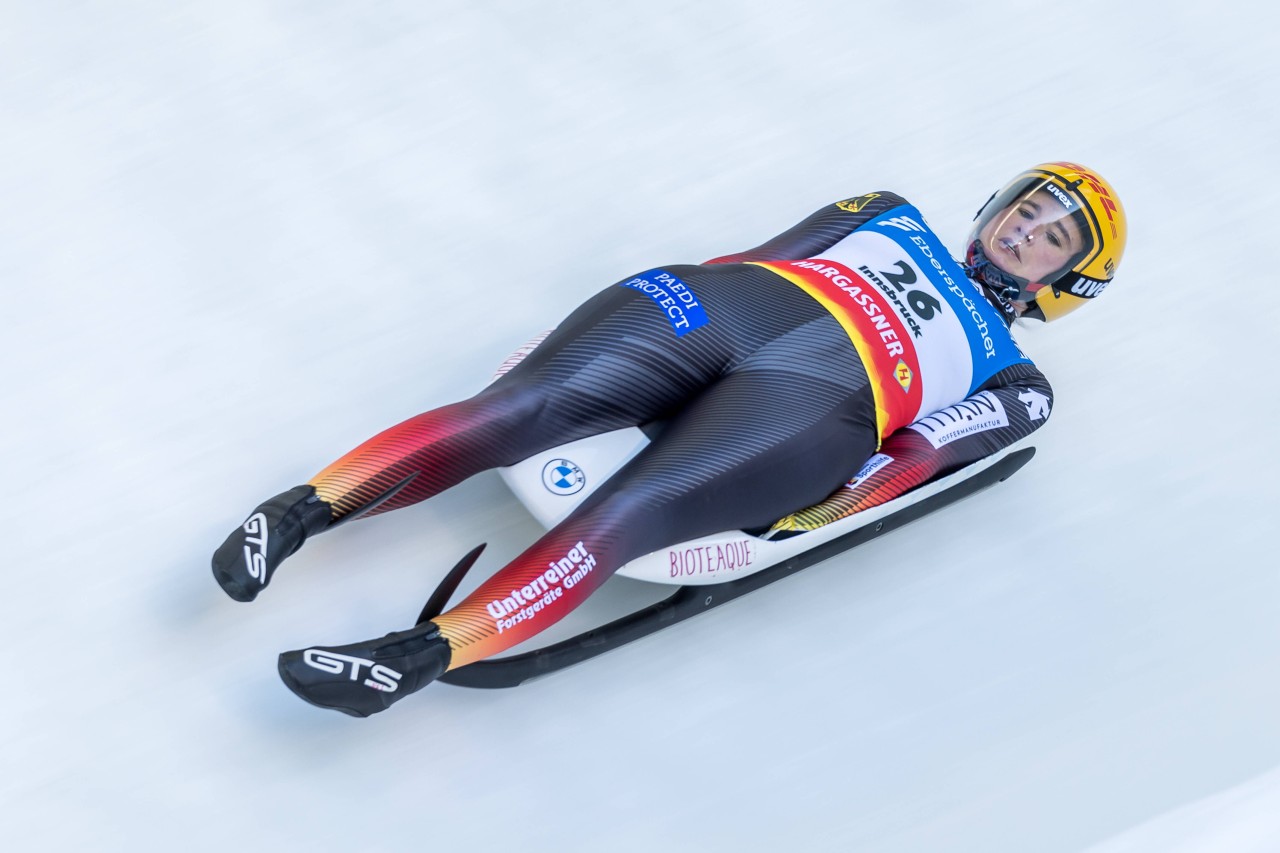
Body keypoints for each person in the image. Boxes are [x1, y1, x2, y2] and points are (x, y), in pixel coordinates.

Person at [212, 161, 1127, 716]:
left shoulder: (1018, 379)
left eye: (1052, 237)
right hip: (724, 310)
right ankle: (296, 512)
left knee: (634, 511)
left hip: (817, 406)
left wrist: (806, 518)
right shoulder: (887, 206)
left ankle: (416, 656)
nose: (1025, 229)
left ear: (1064, 281)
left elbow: (920, 457)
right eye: (1028, 207)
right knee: (514, 410)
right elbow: (761, 255)